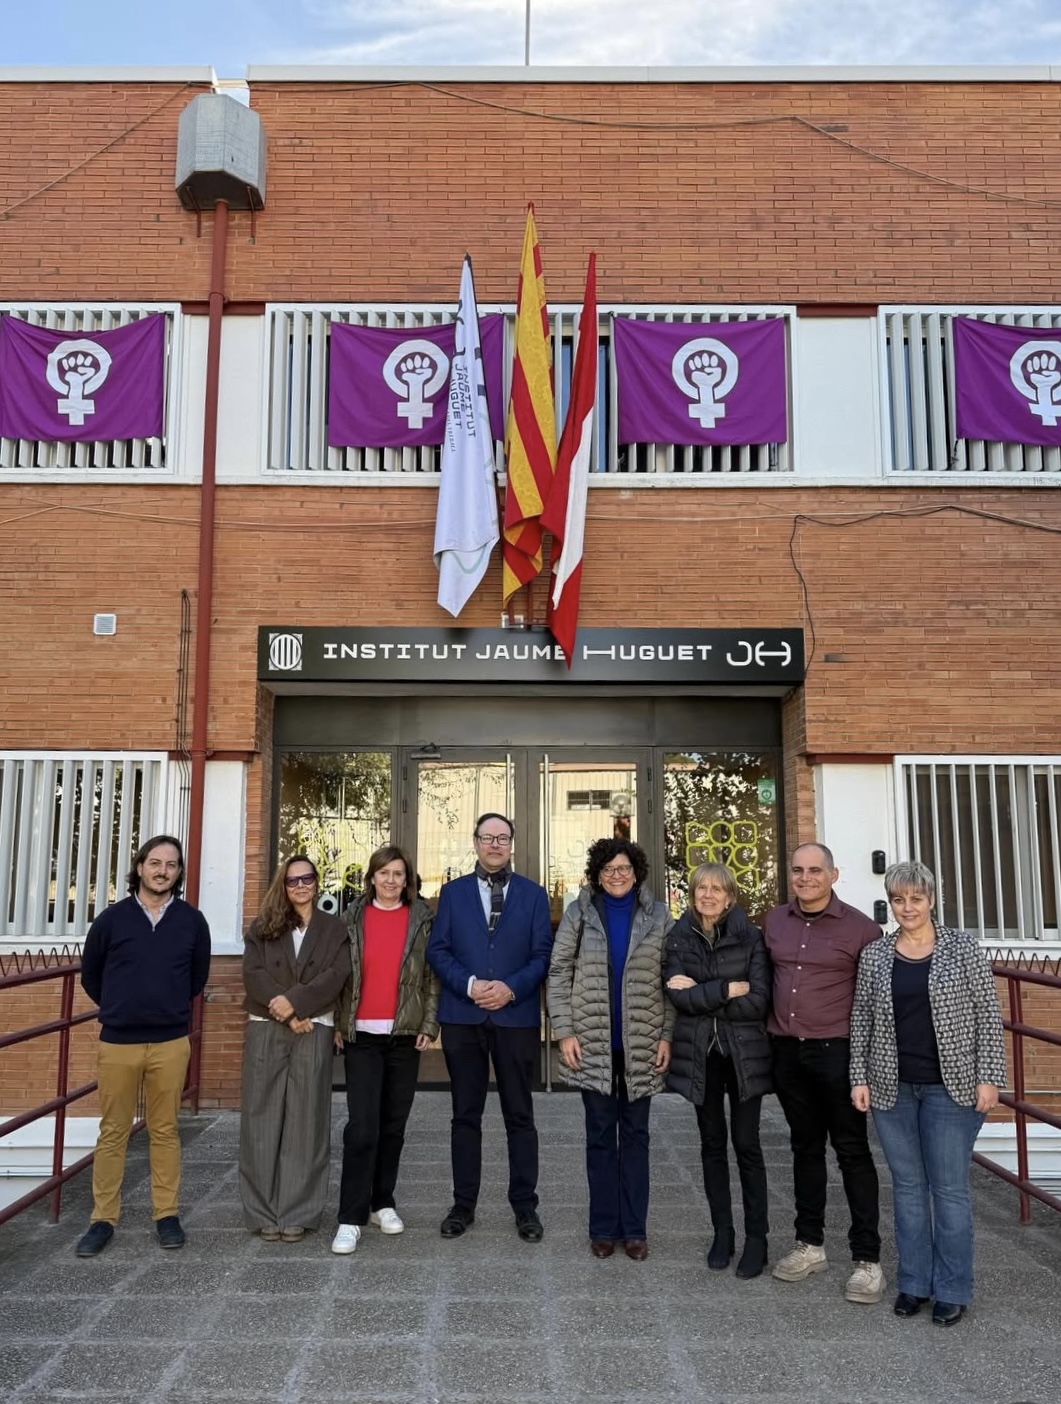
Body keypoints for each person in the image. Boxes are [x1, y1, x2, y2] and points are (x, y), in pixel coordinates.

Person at [850, 860, 1006, 1327]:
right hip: (892, 1088)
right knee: (908, 1189)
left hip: (951, 1089)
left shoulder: (963, 948)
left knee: (950, 1190)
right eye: (898, 899)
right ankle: (914, 1284)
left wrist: (988, 1077)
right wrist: (859, 1077)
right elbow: (861, 1020)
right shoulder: (876, 955)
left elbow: (988, 1017)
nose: (907, 907)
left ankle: (953, 1289)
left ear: (932, 900)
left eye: (916, 898)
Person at [76, 835, 211, 1258]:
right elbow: (91, 975)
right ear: (139, 867)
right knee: (113, 1131)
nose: (162, 871)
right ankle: (102, 1219)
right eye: (155, 863)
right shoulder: (111, 920)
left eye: (171, 865)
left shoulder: (192, 922)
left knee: (165, 1130)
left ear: (178, 872)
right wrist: (122, 1007)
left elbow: (196, 978)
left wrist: (164, 1008)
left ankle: (166, 1214)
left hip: (170, 1042)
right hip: (119, 1043)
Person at [763, 841, 885, 1303]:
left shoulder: (863, 929)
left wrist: (866, 1068)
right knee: (804, 1148)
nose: (805, 878)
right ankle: (810, 1244)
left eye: (815, 870)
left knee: (852, 1151)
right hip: (788, 1053)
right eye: (798, 870)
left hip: (838, 1053)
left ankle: (868, 1261)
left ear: (833, 875)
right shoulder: (774, 921)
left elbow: (875, 1003)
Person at [426, 813, 553, 1242]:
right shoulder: (452, 893)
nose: (495, 844)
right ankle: (463, 1205)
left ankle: (525, 1207)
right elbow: (438, 950)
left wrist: (510, 988)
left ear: (511, 844)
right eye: (487, 837)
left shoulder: (534, 895)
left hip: (515, 1017)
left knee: (520, 1114)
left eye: (502, 838)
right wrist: (470, 984)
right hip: (463, 1016)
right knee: (465, 1115)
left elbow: (542, 954)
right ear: (475, 842)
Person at [547, 837, 672, 1260]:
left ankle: (635, 1230)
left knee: (636, 1137)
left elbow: (671, 979)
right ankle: (602, 1228)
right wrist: (564, 1031)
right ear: (597, 875)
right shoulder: (579, 914)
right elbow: (558, 972)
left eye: (624, 868)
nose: (617, 875)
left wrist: (666, 1035)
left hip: (642, 1044)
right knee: (600, 1138)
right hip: (592, 1043)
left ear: (636, 872)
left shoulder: (659, 916)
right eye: (608, 869)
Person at [665, 863, 772, 1278]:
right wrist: (727, 989)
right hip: (701, 1055)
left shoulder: (751, 937)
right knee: (712, 1143)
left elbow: (758, 1002)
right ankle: (722, 1233)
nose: (707, 895)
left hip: (743, 1054)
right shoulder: (679, 937)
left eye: (716, 889)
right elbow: (678, 999)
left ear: (729, 896)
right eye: (701, 888)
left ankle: (757, 1239)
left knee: (746, 1143)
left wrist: (701, 993)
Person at [331, 845, 439, 1255]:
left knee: (393, 1125)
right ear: (372, 877)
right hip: (361, 1036)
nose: (391, 880)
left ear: (407, 879)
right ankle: (350, 1217)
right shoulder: (351, 918)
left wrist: (429, 1024)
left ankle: (382, 1202)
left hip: (404, 1035)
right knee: (362, 1127)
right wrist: (338, 1023)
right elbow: (339, 976)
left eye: (398, 874)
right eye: (384, 873)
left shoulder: (422, 919)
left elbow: (431, 978)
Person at [239, 855, 350, 1243]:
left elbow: (337, 974)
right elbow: (253, 974)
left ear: (317, 883)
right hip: (267, 1026)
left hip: (314, 1028)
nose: (301, 886)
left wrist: (297, 1005)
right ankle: (262, 1211)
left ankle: (298, 1211)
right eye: (293, 881)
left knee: (307, 1120)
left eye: (307, 879)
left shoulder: (334, 928)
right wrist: (288, 1014)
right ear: (282, 885)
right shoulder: (263, 926)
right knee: (261, 1118)